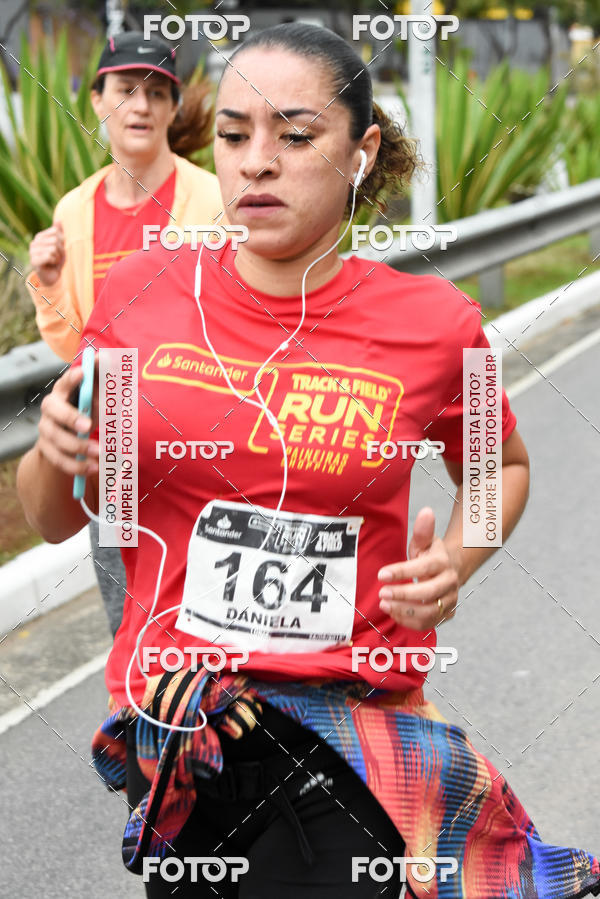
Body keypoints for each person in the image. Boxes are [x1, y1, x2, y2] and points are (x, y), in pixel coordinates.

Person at [17, 23, 600, 899]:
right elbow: (64, 513)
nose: (256, 162)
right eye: (233, 135)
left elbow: (500, 466)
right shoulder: (140, 296)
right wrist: (53, 454)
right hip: (180, 730)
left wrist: (456, 561)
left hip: (348, 733)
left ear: (361, 153)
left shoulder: (439, 325)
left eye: (294, 136)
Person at [25, 31, 224, 637]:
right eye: (126, 90)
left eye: (157, 93)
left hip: (206, 435)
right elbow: (75, 346)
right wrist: (50, 282)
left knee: (215, 612)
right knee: (131, 620)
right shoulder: (73, 211)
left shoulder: (212, 200)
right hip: (113, 437)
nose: (140, 106)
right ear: (97, 100)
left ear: (173, 108)